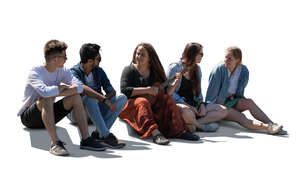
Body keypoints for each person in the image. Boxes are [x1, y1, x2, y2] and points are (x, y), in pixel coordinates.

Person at [18, 40, 107, 156]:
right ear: (55, 59)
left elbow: (79, 87)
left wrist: (60, 90)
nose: (66, 59)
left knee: (75, 97)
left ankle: (86, 139)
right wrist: (61, 89)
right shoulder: (35, 72)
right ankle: (55, 143)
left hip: (49, 113)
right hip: (29, 118)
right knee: (47, 98)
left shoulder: (63, 71)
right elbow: (44, 92)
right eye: (64, 56)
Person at [119, 43, 200, 145]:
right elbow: (124, 90)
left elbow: (166, 92)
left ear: (149, 58)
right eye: (137, 53)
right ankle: (156, 134)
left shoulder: (154, 72)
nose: (138, 57)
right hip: (133, 106)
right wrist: (147, 90)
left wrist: (175, 84)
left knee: (167, 98)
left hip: (151, 104)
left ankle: (179, 131)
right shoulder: (129, 70)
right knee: (142, 101)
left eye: (142, 55)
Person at [205, 46, 287, 135]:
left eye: (230, 58)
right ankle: (268, 128)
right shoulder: (219, 70)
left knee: (249, 102)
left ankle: (272, 124)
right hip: (219, 105)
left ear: (237, 60)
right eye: (225, 57)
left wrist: (238, 102)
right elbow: (211, 94)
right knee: (241, 117)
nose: (226, 60)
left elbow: (240, 93)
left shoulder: (243, 70)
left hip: (232, 100)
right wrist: (210, 111)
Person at [68, 43, 127, 149]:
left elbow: (111, 90)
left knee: (122, 98)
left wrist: (108, 98)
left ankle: (98, 133)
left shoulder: (99, 71)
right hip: (79, 113)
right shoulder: (73, 72)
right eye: (98, 59)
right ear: (90, 61)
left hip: (96, 110)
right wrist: (104, 99)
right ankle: (105, 134)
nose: (100, 60)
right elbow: (83, 90)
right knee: (89, 98)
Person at [167, 42, 227, 132]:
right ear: (192, 54)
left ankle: (194, 123)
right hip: (180, 105)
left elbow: (198, 92)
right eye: (201, 54)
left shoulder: (197, 69)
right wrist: (189, 106)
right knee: (187, 112)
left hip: (194, 104)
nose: (202, 56)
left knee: (223, 110)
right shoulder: (175, 68)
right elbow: (169, 93)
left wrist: (201, 104)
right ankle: (201, 127)